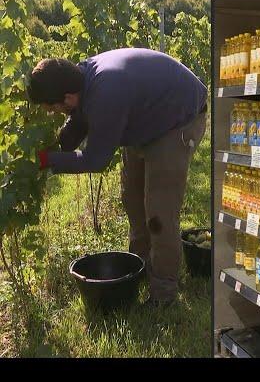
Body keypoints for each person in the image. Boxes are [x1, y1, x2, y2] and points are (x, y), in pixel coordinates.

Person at [27, 48, 208, 307]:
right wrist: (54, 147)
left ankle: (164, 293)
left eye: (52, 108)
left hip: (176, 119)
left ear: (67, 97)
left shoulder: (106, 93)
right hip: (143, 117)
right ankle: (141, 267)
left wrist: (47, 161)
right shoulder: (80, 80)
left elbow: (95, 160)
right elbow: (78, 120)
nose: (52, 113)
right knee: (132, 198)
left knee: (159, 213)